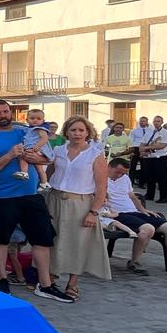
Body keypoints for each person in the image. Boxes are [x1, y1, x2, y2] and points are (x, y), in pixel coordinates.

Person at [0, 99, 72, 302]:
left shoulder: (24, 132)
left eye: (5, 111)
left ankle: (45, 284)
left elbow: (47, 158)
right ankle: (2, 278)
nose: (2, 115)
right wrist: (9, 155)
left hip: (31, 194)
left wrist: (32, 158)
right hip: (3, 196)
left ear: (11, 113)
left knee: (43, 238)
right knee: (1, 238)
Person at [47, 116, 110, 300]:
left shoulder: (95, 155)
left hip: (80, 203)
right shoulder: (58, 150)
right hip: (55, 199)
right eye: (73, 130)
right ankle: (51, 276)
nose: (77, 134)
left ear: (88, 132)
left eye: (81, 130)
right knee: (54, 239)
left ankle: (73, 281)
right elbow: (50, 173)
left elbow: (101, 187)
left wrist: (93, 212)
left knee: (78, 243)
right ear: (66, 131)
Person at [105, 158, 167, 281]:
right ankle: (134, 262)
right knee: (147, 229)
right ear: (109, 167)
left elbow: (132, 196)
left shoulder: (125, 178)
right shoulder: (100, 178)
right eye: (118, 172)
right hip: (118, 214)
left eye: (124, 173)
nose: (120, 175)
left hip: (134, 212)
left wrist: (143, 210)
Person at [17, 109, 53, 192]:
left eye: (38, 119)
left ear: (43, 120)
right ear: (27, 120)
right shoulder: (29, 129)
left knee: (22, 157)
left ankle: (24, 172)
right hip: (32, 148)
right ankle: (44, 183)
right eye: (32, 118)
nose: (35, 120)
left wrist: (37, 146)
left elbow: (45, 138)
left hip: (36, 149)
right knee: (39, 168)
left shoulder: (40, 129)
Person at [138, 115, 167, 203]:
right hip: (148, 157)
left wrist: (146, 149)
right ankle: (149, 194)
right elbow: (142, 143)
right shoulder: (149, 131)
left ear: (162, 122)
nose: (156, 123)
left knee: (161, 178)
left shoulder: (166, 133)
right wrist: (141, 151)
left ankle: (163, 197)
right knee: (149, 177)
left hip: (160, 158)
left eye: (158, 121)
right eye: (155, 121)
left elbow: (162, 145)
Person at [129, 116, 154, 186]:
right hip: (136, 148)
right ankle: (131, 182)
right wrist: (131, 150)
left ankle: (142, 183)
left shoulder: (150, 131)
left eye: (144, 121)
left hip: (145, 148)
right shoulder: (134, 131)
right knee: (133, 166)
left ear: (147, 122)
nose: (142, 122)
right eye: (141, 121)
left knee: (144, 167)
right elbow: (130, 141)